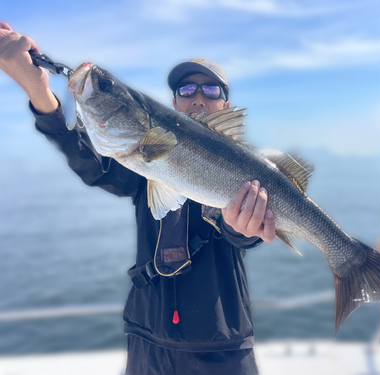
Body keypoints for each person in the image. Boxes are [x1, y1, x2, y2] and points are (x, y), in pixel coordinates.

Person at [0, 22, 276, 375]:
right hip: (147, 337)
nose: (198, 96)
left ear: (226, 103)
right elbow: (93, 166)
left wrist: (245, 228)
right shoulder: (143, 159)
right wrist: (40, 94)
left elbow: (242, 235)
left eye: (211, 89)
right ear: (175, 102)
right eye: (187, 88)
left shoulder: (246, 168)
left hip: (221, 345)